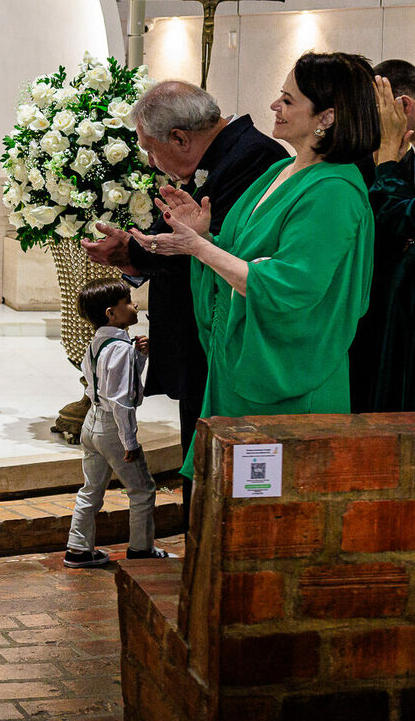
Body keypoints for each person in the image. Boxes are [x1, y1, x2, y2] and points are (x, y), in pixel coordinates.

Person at [133, 53, 378, 478]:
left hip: (289, 378)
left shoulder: (334, 190)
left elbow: (289, 286)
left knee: (272, 514)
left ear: (327, 117)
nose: (274, 106)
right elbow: (241, 260)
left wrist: (200, 248)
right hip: (240, 368)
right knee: (231, 506)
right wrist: (205, 235)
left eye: (288, 99)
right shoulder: (281, 170)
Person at [82, 81, 285, 513]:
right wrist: (135, 252)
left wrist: (134, 251)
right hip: (200, 334)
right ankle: (200, 549)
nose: (152, 161)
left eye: (151, 149)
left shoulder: (255, 157)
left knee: (225, 462)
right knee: (200, 452)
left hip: (224, 338)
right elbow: (179, 236)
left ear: (180, 137)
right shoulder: (223, 154)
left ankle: (210, 553)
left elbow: (208, 247)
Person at [348, 59, 415, 409]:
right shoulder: (405, 155)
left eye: (375, 112)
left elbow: (409, 219)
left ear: (402, 106)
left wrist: (387, 162)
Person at [64, 278, 167, 568]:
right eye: (129, 302)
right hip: (112, 428)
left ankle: (78, 548)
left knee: (91, 489)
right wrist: (129, 441)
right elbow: (121, 399)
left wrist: (140, 356)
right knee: (142, 489)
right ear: (112, 313)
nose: (135, 306)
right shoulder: (120, 348)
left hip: (91, 423)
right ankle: (141, 549)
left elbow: (98, 386)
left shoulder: (96, 344)